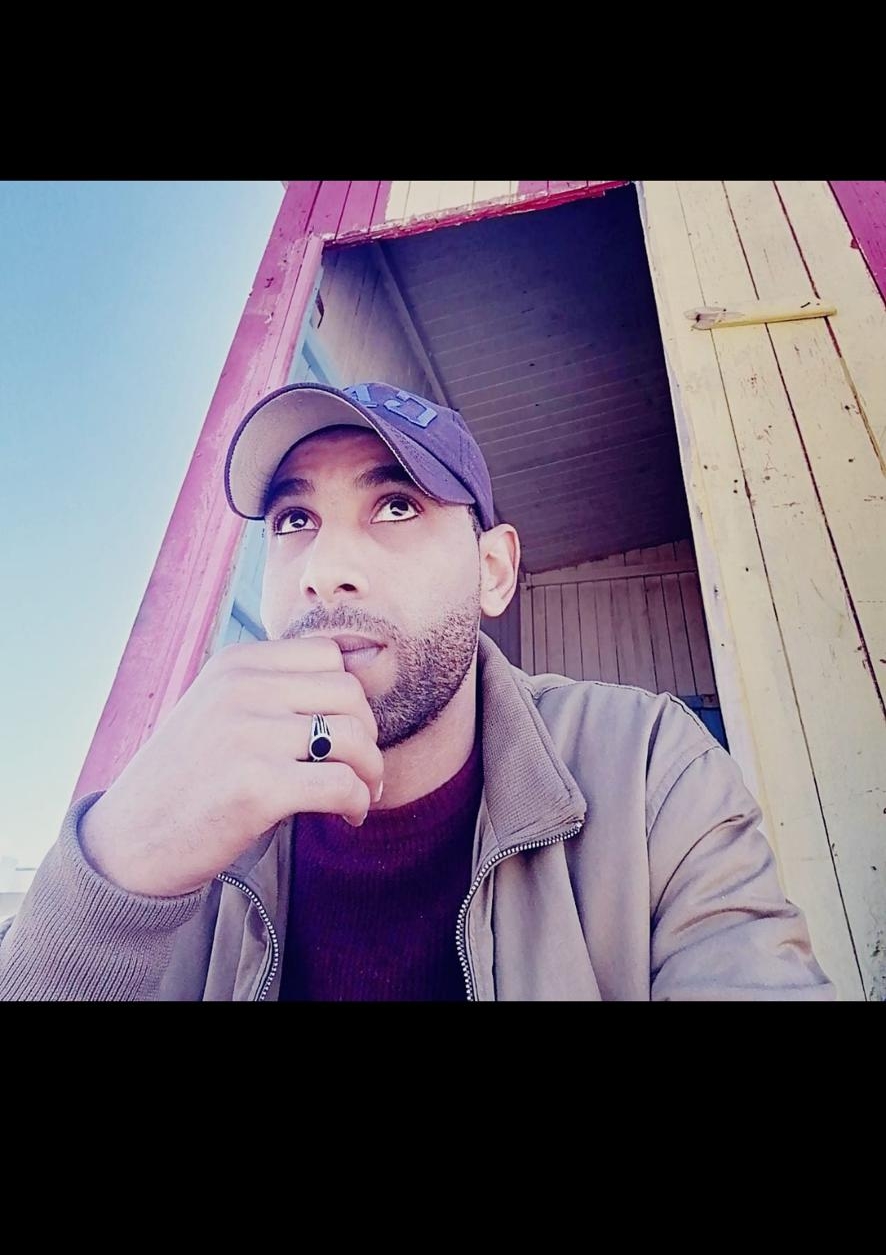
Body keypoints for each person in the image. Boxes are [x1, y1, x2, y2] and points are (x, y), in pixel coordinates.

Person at [0, 380, 834, 1002]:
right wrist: (112, 879)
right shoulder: (189, 826)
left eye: (396, 506)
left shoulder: (647, 767)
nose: (326, 570)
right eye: (295, 521)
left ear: (493, 570)